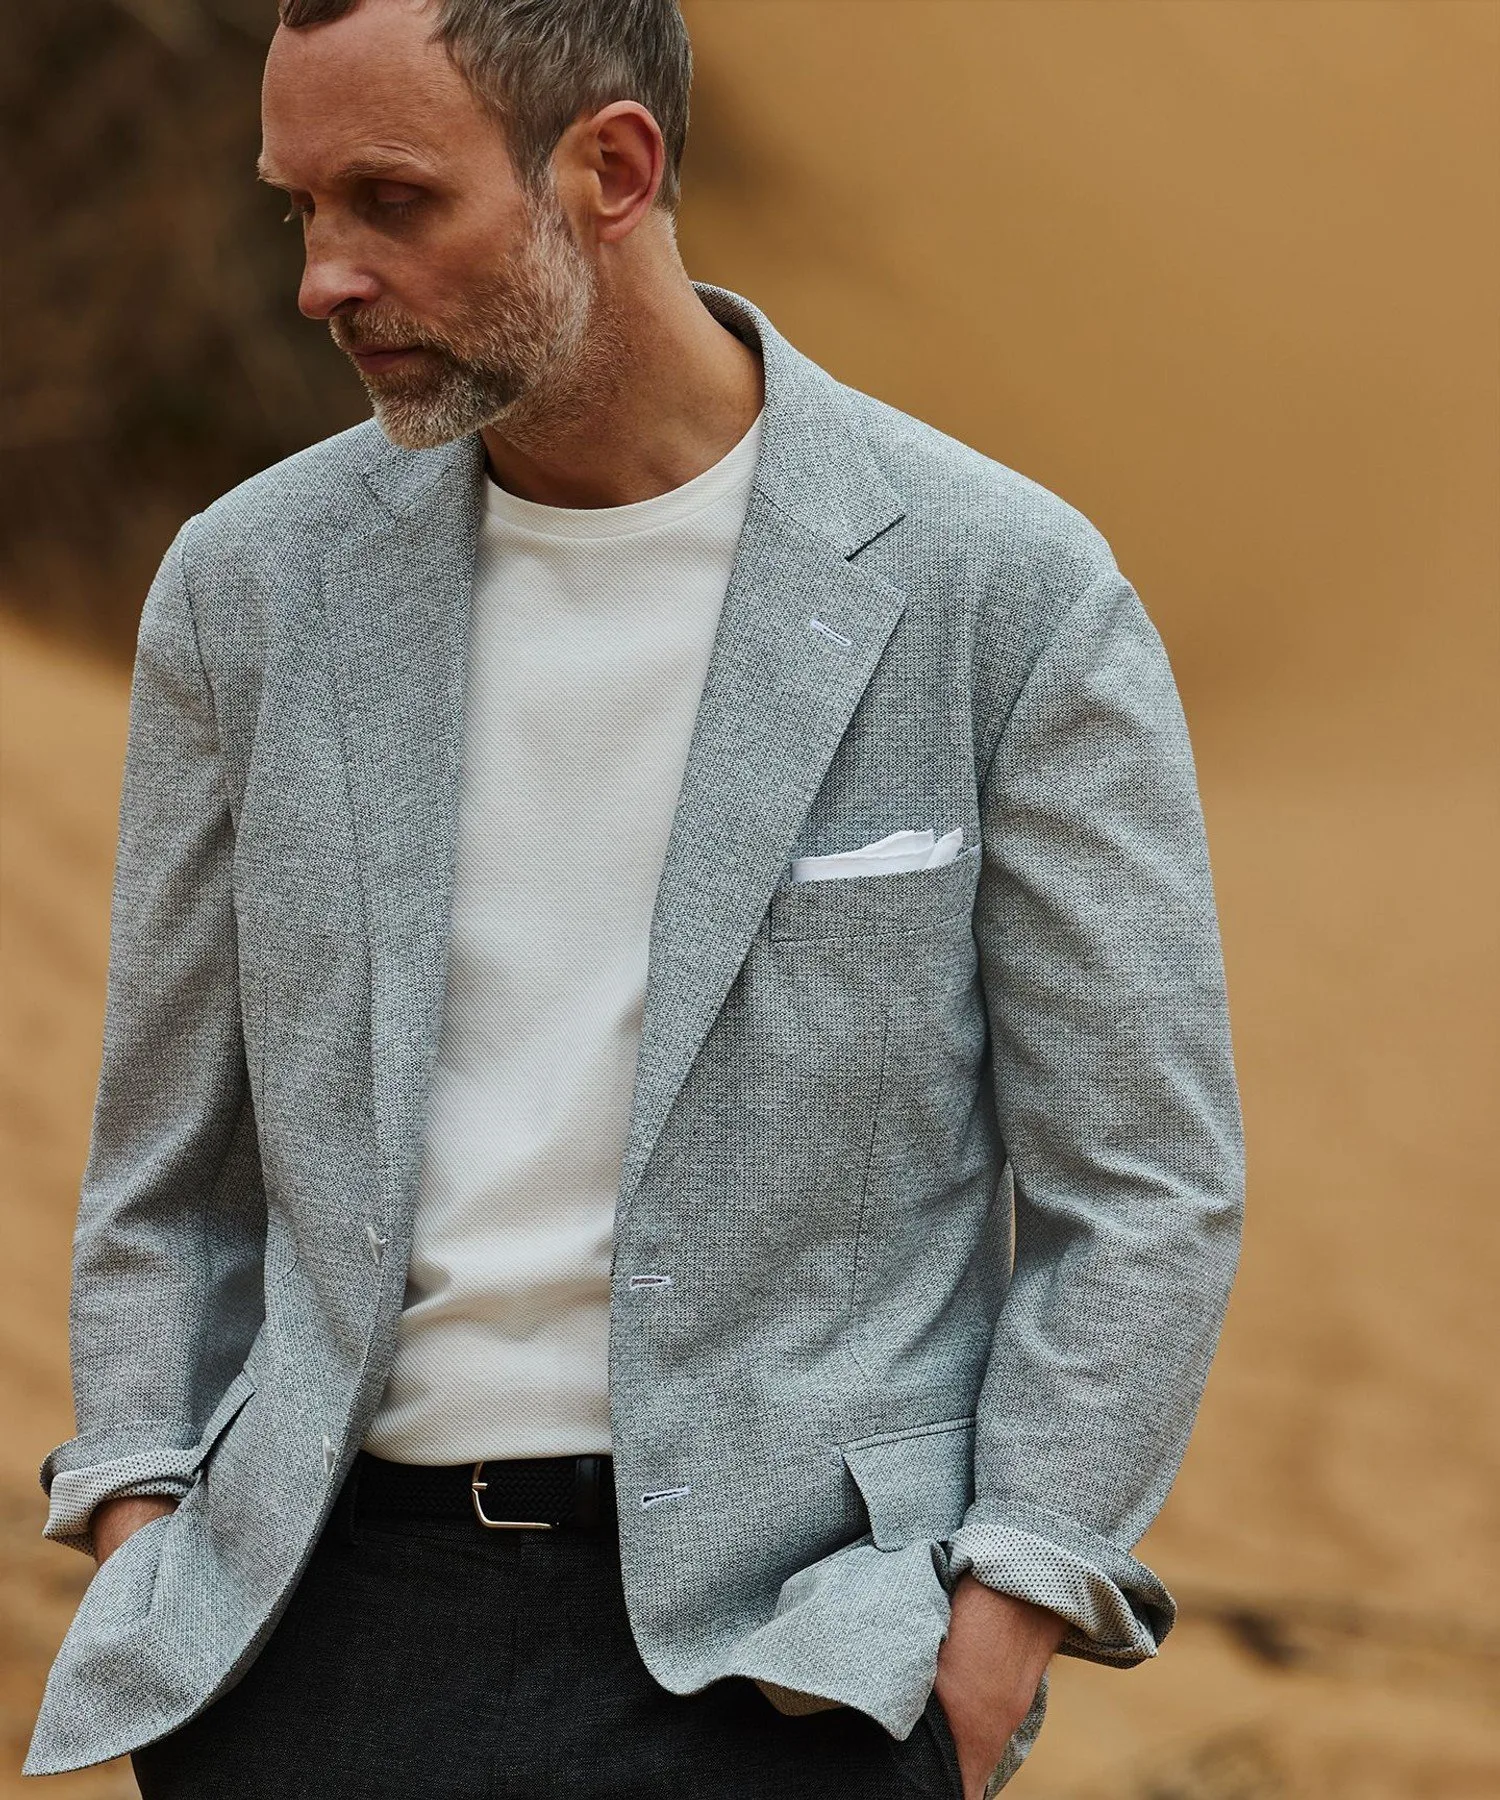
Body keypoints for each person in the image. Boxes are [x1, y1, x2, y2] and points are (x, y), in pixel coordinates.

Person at [26, 1, 1244, 1795]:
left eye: (391, 200)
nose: (322, 278)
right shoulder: (249, 588)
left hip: (794, 1665)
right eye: (300, 207)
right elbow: (167, 1162)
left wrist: (1002, 1612)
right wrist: (145, 1527)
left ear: (610, 167)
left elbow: (1143, 1177)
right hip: (310, 1647)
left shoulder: (1005, 593)